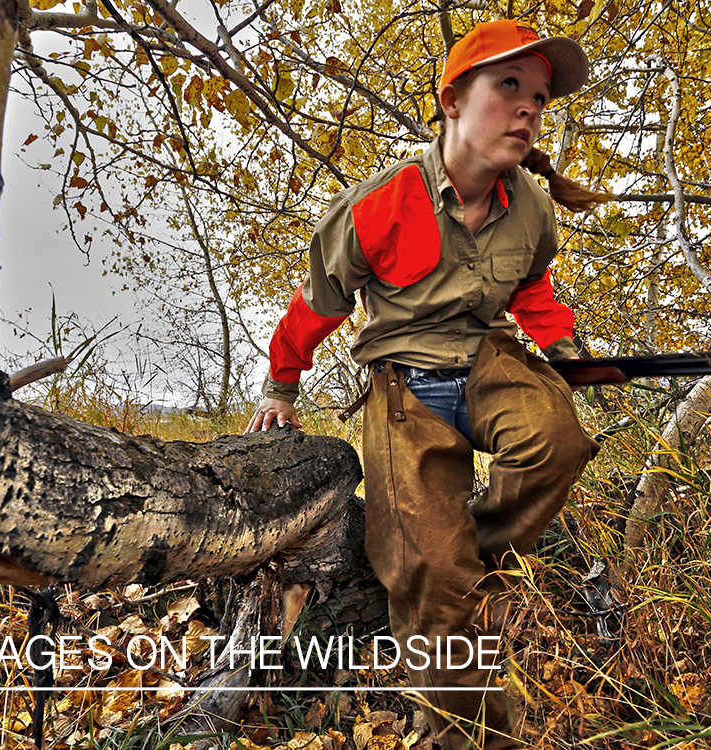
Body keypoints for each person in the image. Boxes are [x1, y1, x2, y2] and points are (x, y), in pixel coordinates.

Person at [245, 19, 607, 749]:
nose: (530, 108)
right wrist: (280, 387)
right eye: (509, 86)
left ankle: (454, 553)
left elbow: (532, 291)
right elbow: (319, 303)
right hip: (402, 379)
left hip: (487, 359)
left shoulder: (530, 208)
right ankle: (468, 734)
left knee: (557, 440)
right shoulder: (378, 205)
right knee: (432, 583)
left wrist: (564, 348)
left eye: (539, 96)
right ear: (451, 101)